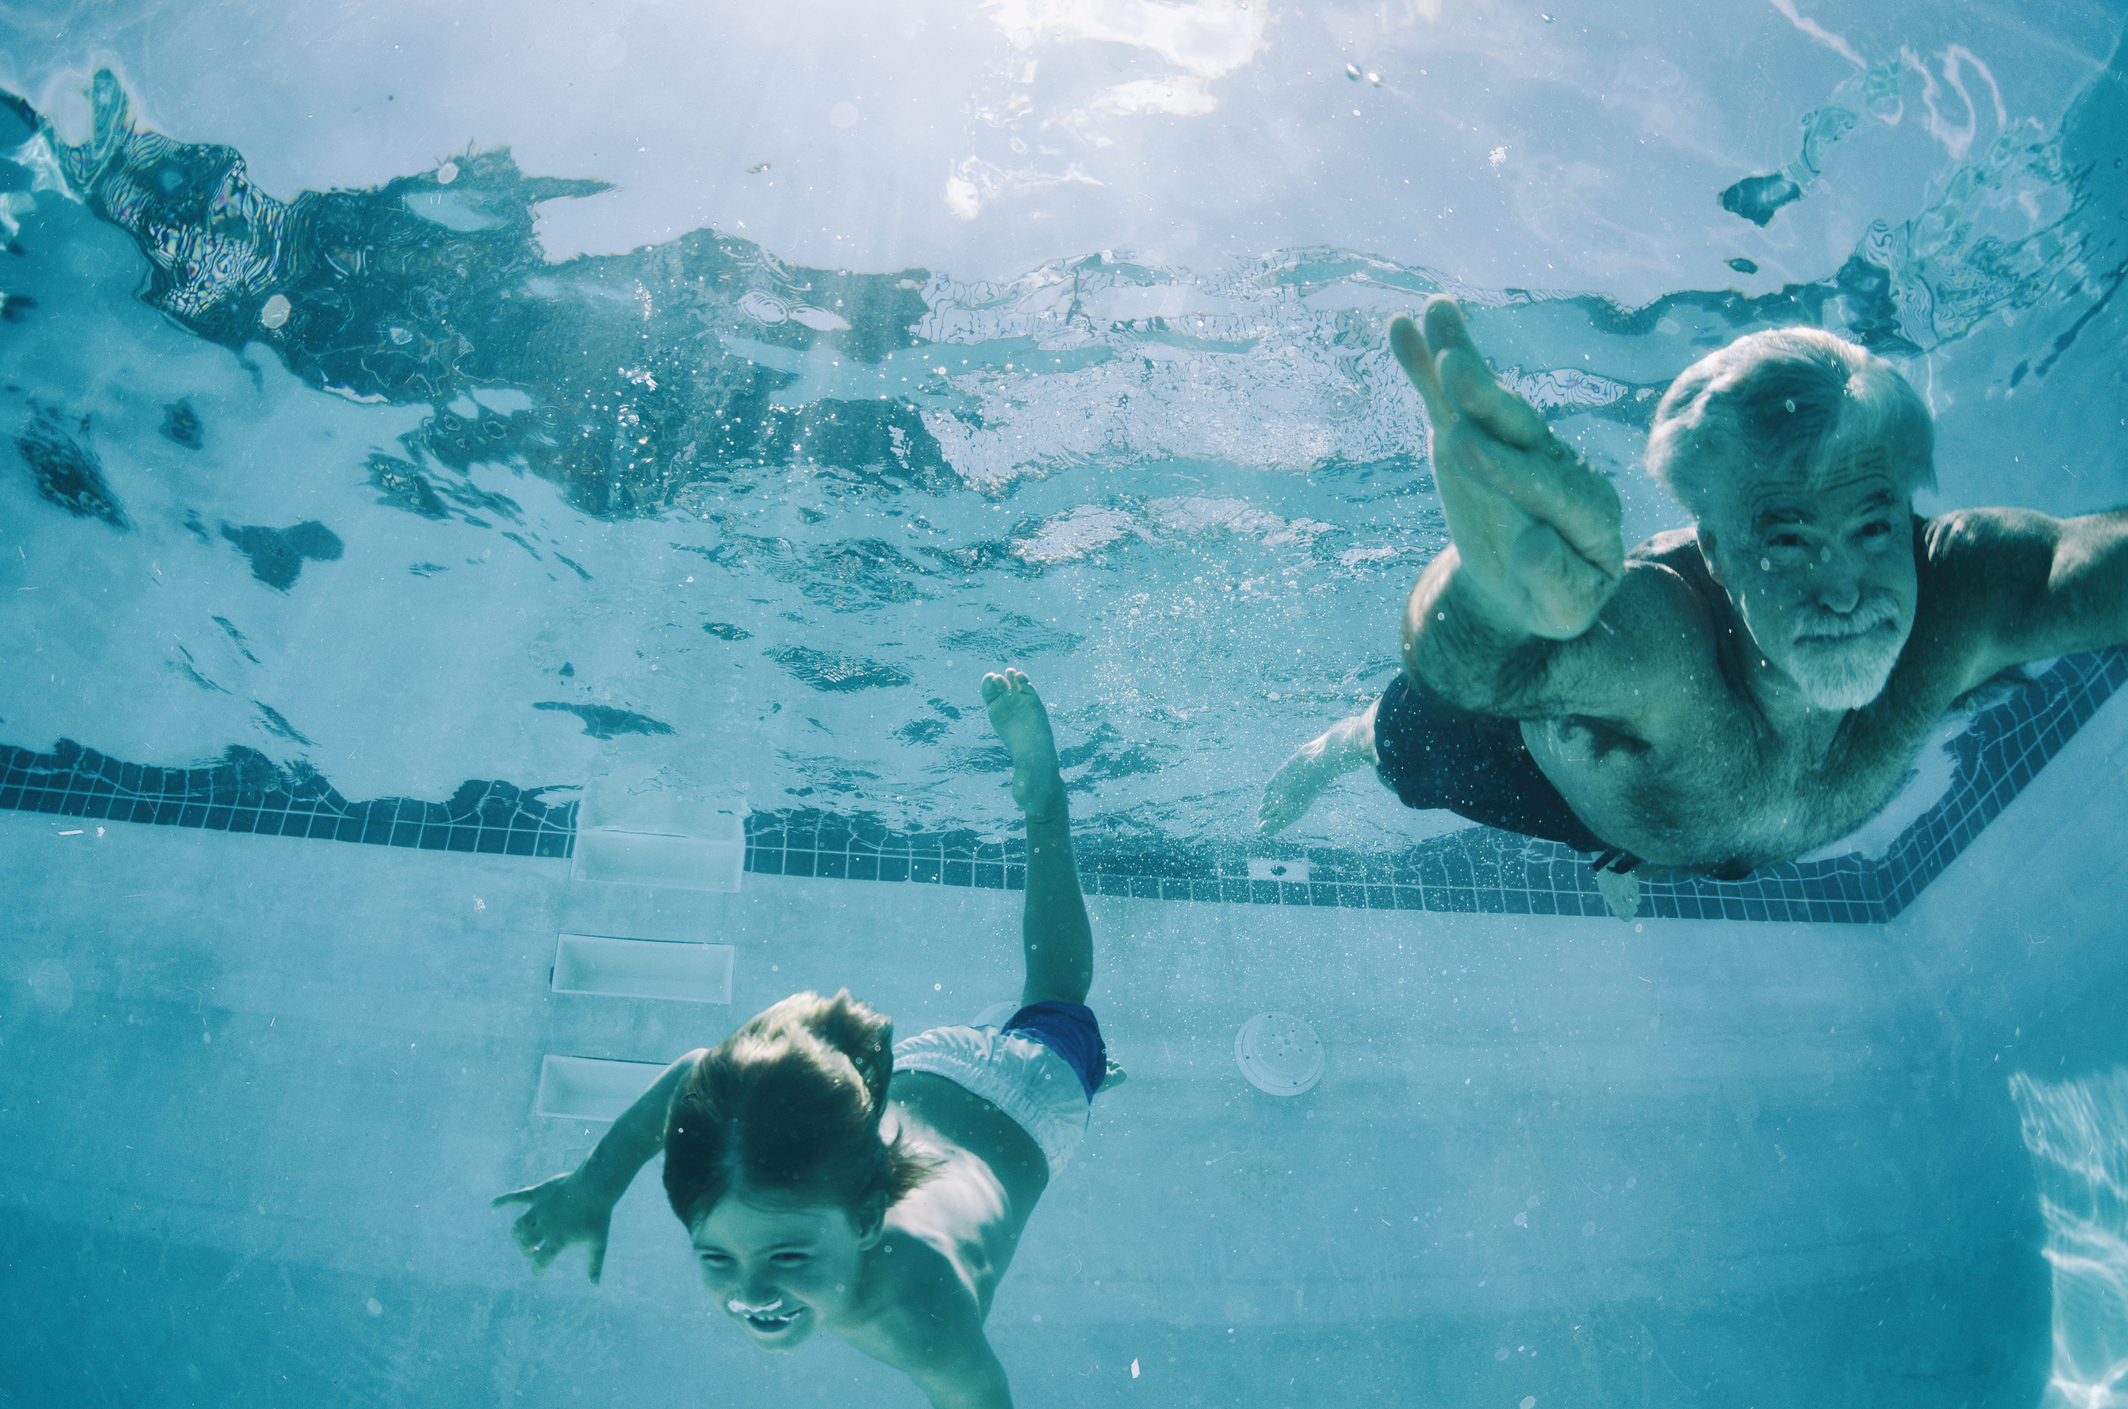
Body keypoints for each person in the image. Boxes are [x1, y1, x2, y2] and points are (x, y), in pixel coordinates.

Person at [1260, 296, 2128, 880]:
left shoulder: (1960, 598)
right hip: (1518, 764)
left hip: (1675, 820)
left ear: (1909, 512)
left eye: (1871, 528)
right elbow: (1471, 677)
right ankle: (1340, 744)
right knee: (1397, 741)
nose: (1842, 592)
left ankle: (1639, 848)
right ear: (1716, 549)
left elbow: (2088, 566)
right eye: (1787, 541)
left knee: (1665, 837)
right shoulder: (1661, 647)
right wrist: (1490, 598)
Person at [494, 669, 1109, 1408]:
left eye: (788, 1253)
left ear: (867, 1219)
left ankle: (1047, 811)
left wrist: (599, 1182)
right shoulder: (819, 1190)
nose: (751, 1288)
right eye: (715, 1253)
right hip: (920, 1070)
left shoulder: (919, 1321)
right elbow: (700, 1076)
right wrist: (596, 1185)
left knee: (1057, 997)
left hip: (1030, 1095)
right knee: (1026, 1014)